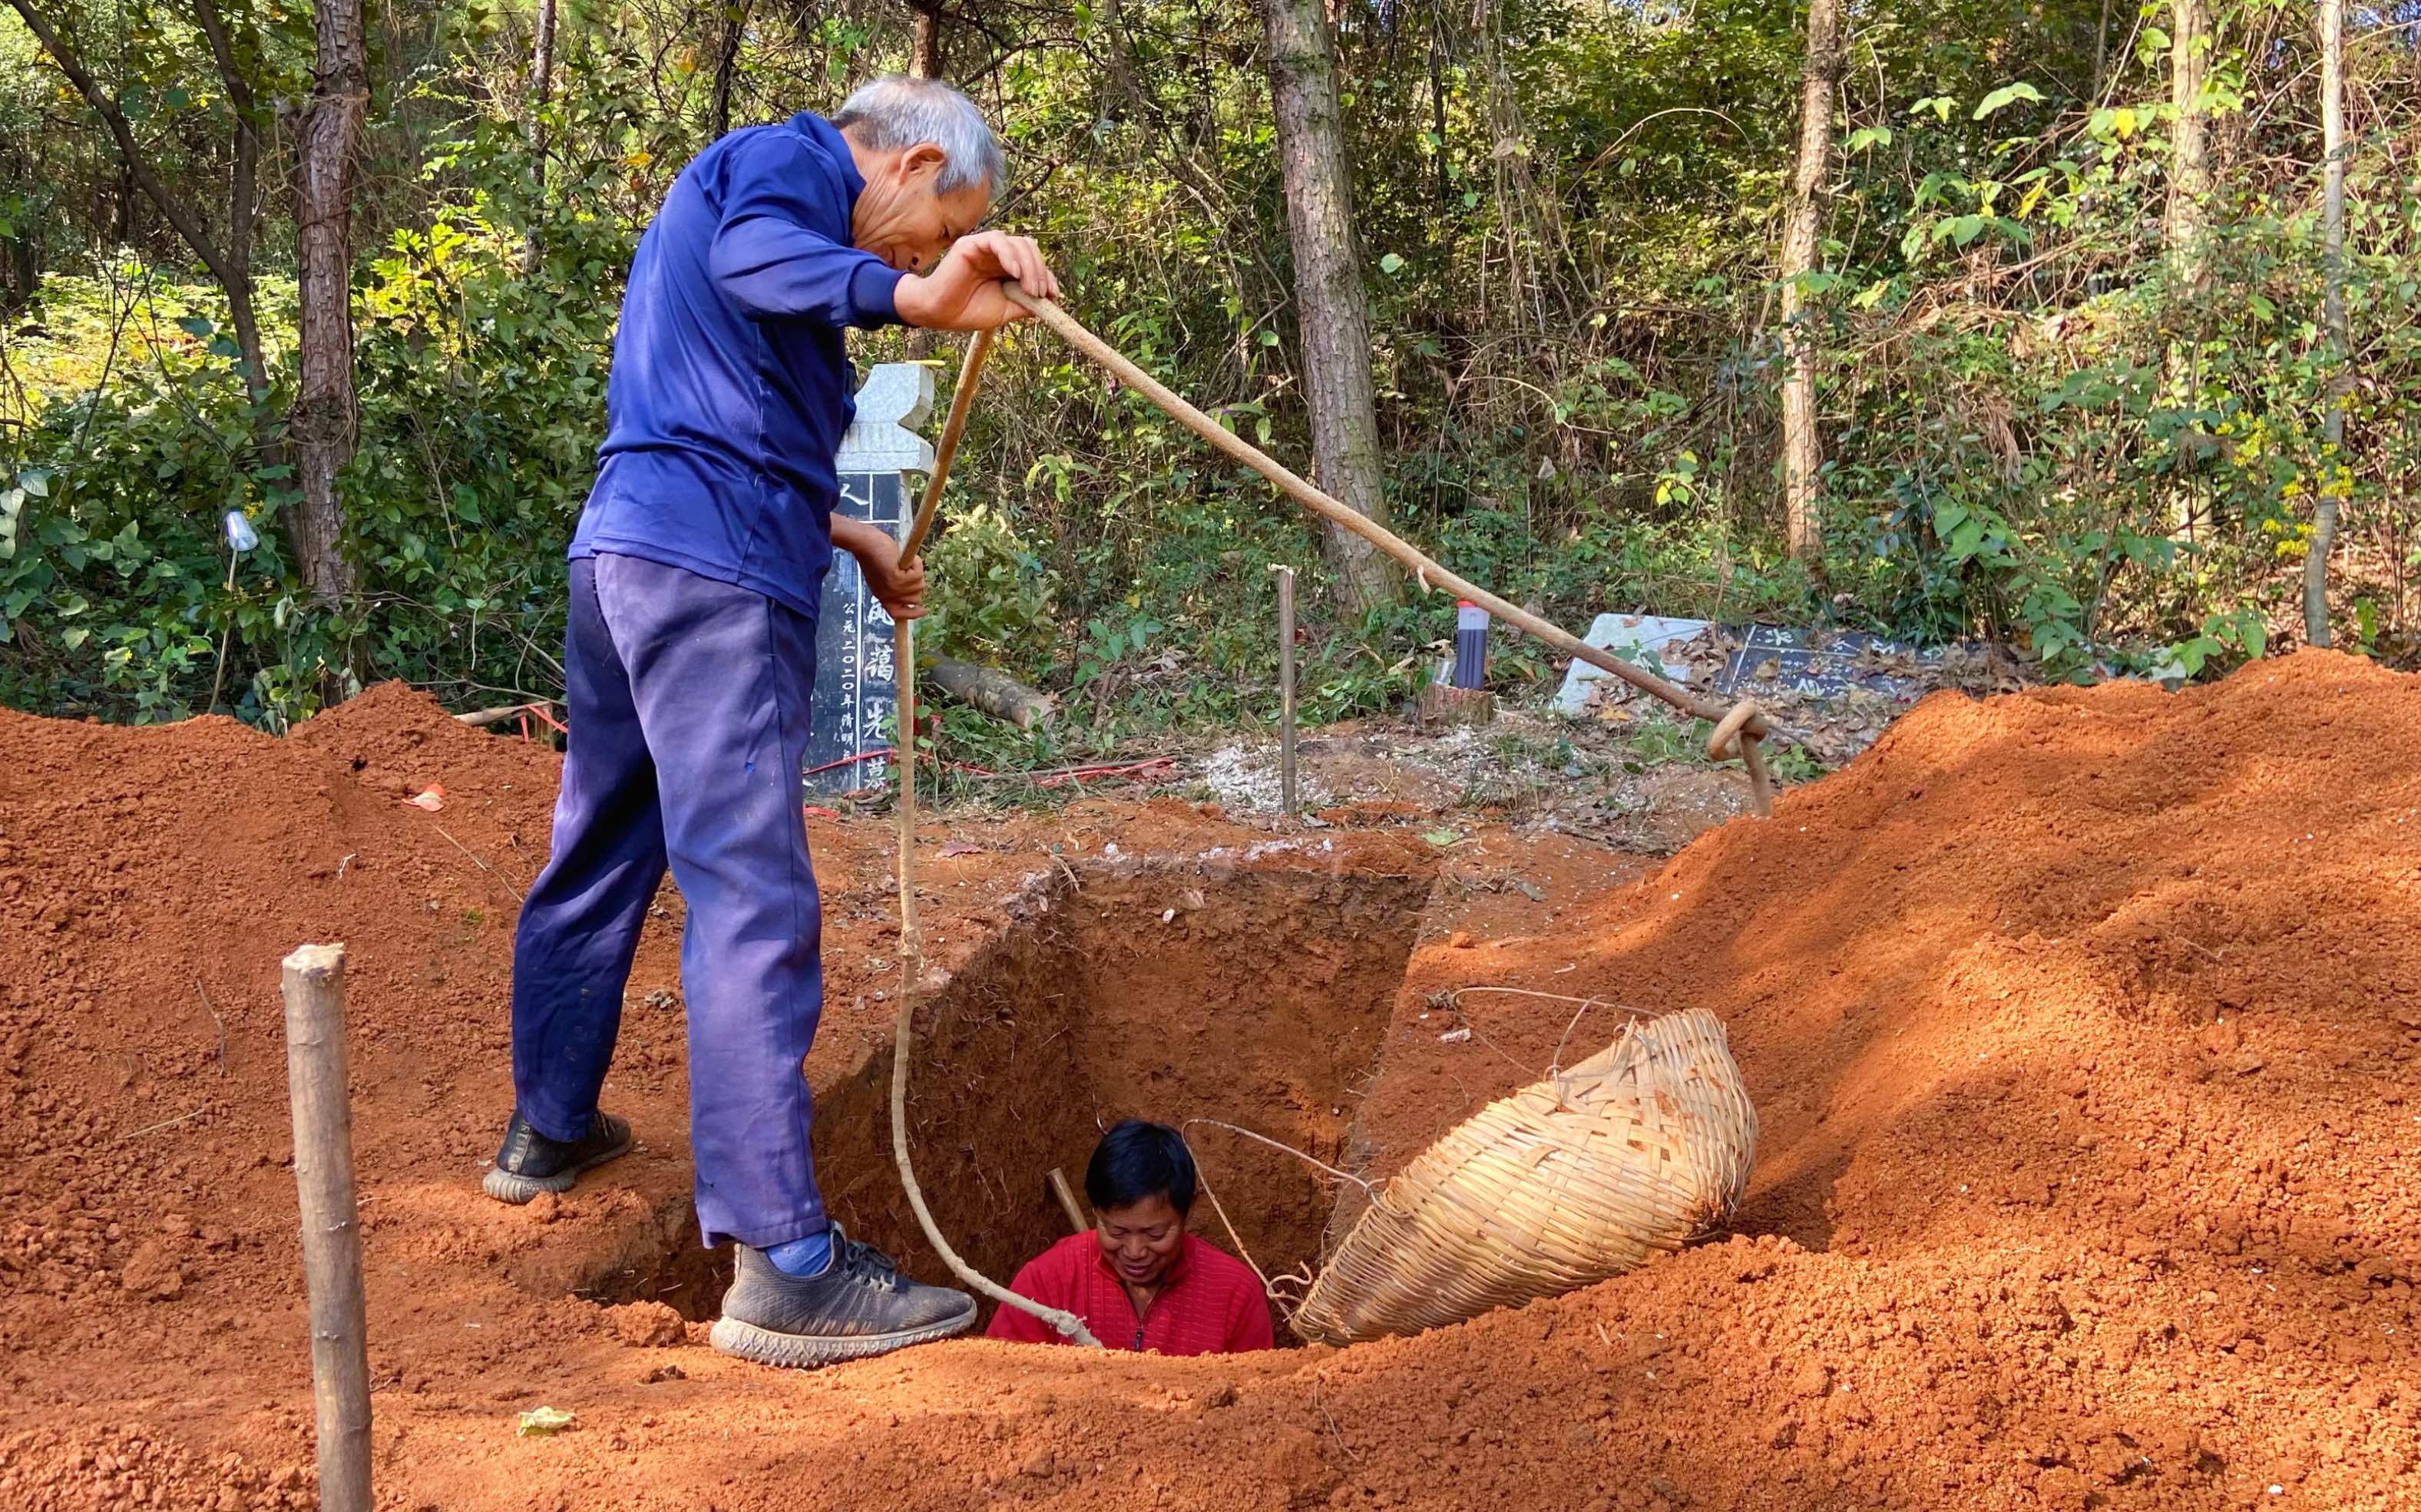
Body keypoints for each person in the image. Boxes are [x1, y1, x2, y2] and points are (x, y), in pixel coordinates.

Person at [481, 75, 1061, 1371]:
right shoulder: (784, 170)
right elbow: (765, 264)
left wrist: (849, 533)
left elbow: (723, 428)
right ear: (909, 161)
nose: (914, 256)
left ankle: (550, 1124)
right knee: (749, 894)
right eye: (930, 228)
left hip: (630, 554)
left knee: (604, 841)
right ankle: (784, 1261)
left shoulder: (760, 198)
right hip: (711, 575)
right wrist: (915, 296)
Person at [986, 1121, 1276, 1355]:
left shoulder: (1235, 1295)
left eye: (1155, 1234)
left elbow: (1253, 1409)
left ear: (1189, 1209)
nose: (1135, 1251)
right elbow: (1002, 1380)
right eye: (1116, 1232)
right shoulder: (1047, 1281)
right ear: (1096, 1212)